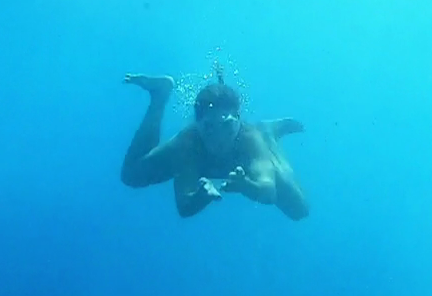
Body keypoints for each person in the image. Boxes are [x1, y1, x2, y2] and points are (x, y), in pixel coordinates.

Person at [120, 70, 309, 220]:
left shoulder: (250, 140)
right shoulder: (188, 145)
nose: (219, 137)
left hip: (249, 149)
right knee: (131, 175)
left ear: (238, 120)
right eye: (209, 127)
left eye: (227, 125)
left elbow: (269, 191)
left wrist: (247, 186)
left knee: (299, 210)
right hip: (200, 154)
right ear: (197, 124)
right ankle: (159, 96)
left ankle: (268, 132)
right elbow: (184, 206)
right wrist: (201, 197)